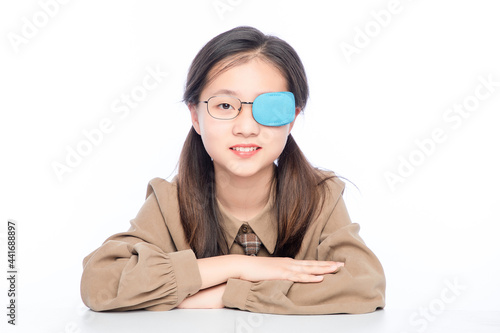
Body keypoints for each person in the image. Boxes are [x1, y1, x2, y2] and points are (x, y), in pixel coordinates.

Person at [80, 26, 386, 315]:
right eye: (225, 106)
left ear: (291, 119)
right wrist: (237, 265)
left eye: (267, 108)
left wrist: (229, 294)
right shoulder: (170, 201)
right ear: (196, 117)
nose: (246, 128)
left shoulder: (320, 197)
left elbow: (364, 285)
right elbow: (101, 282)